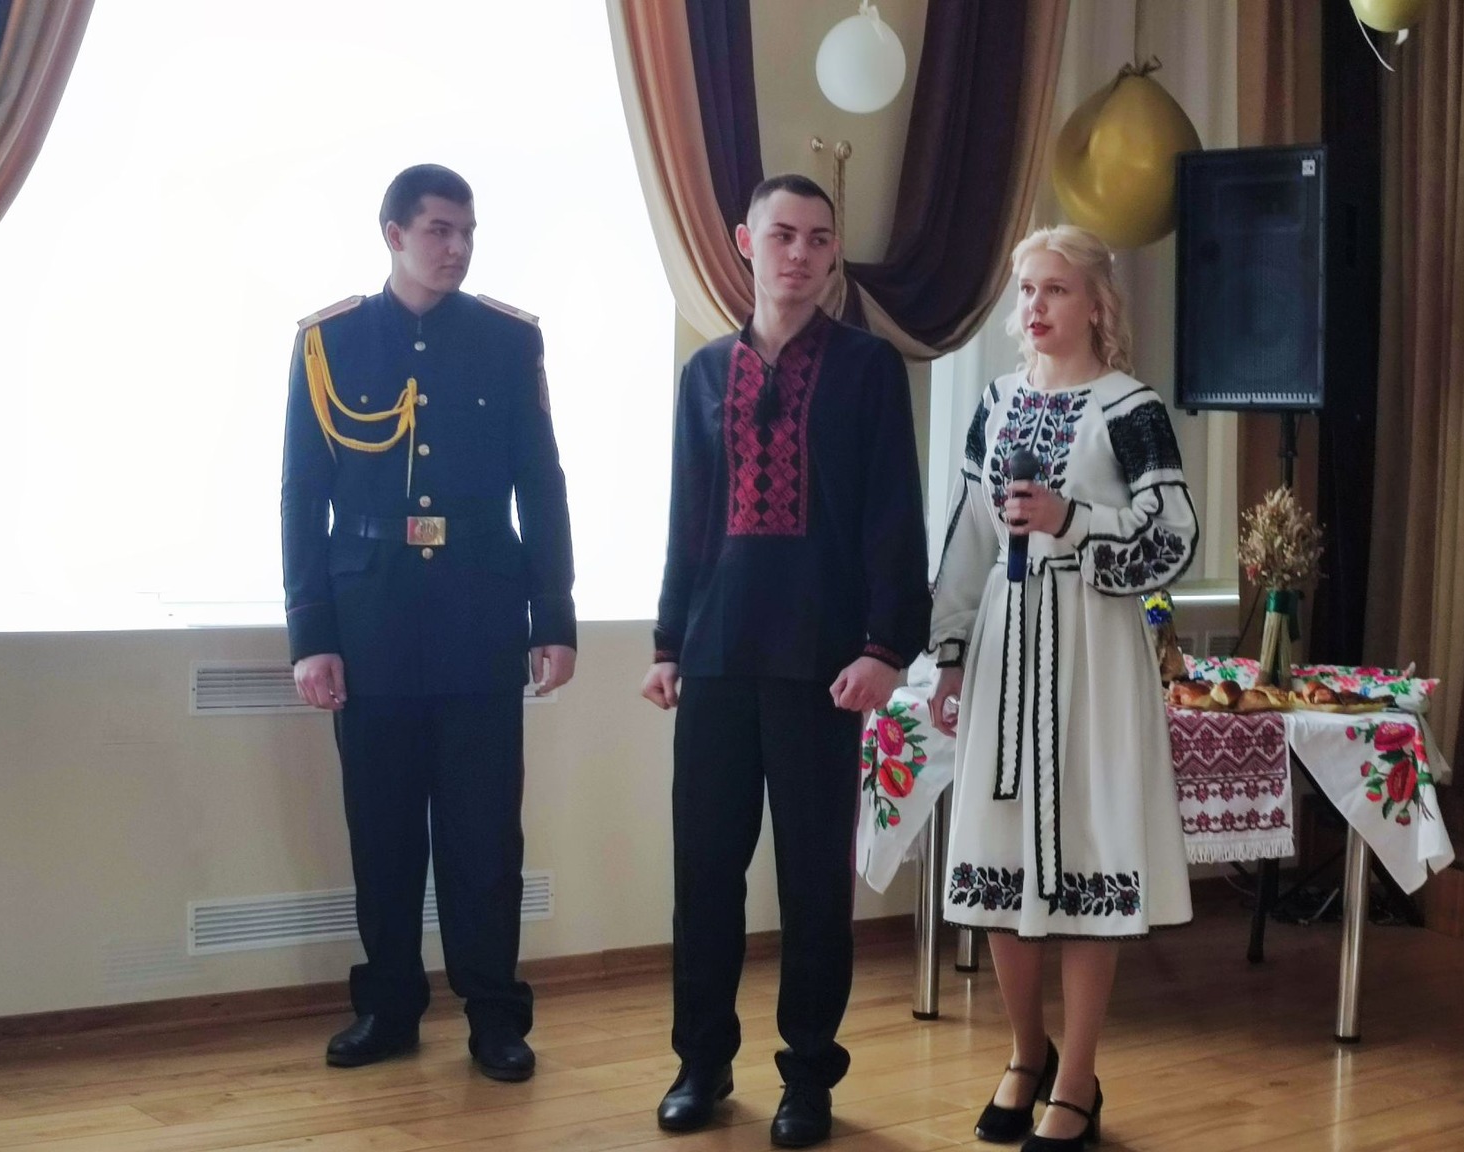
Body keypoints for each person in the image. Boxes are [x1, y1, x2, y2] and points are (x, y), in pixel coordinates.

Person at [641, 174, 929, 1148]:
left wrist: (886, 647)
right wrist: (667, 644)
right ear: (744, 242)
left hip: (823, 665)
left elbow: (894, 516)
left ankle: (808, 1077)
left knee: (812, 884)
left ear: (832, 250)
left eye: (817, 238)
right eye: (782, 235)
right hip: (717, 657)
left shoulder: (867, 368)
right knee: (704, 875)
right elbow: (687, 519)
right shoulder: (702, 375)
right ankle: (701, 1063)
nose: (799, 253)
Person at [280, 163, 576, 1083]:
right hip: (370, 619)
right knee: (383, 832)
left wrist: (554, 612)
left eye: (468, 231)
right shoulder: (329, 342)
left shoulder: (507, 341)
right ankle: (389, 1007)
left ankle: (495, 1017)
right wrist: (311, 634)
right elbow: (301, 496)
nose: (457, 248)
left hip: (480, 614)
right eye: (440, 230)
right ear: (394, 234)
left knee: (484, 837)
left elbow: (542, 484)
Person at [927, 225, 1199, 1150]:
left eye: (1054, 289)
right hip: (1007, 648)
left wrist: (1072, 520)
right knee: (998, 852)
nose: (1035, 307)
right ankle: (1025, 1052)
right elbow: (967, 536)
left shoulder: (1132, 408)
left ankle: (1077, 1081)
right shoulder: (995, 405)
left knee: (1085, 855)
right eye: (1026, 290)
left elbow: (1173, 538)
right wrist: (951, 653)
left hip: (1094, 650)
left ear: (1095, 304)